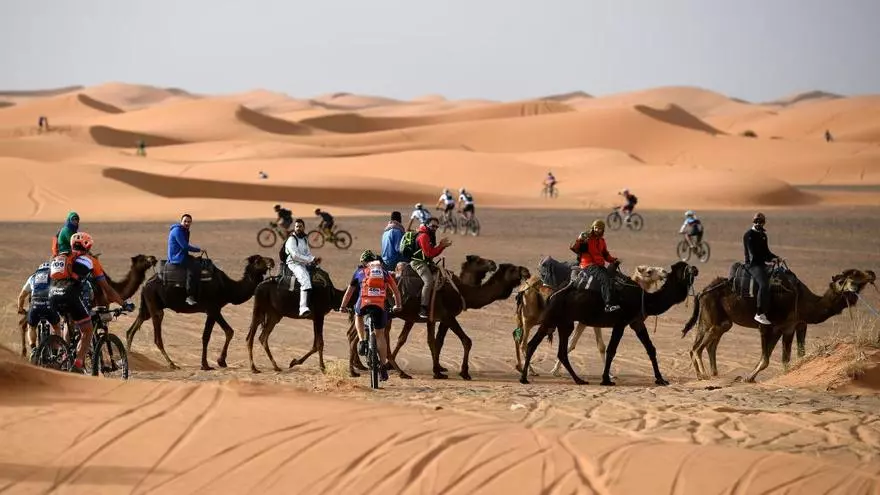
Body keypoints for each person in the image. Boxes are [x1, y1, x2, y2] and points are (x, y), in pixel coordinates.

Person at [48, 232, 127, 372]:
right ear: (88, 246)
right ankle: (78, 365)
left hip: (52, 295)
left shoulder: (61, 257)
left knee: (68, 321)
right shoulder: (91, 260)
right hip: (70, 295)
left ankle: (63, 357)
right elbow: (107, 289)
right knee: (87, 330)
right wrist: (124, 304)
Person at [339, 250, 403, 381]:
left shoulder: (359, 272)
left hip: (364, 303)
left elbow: (349, 292)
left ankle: (362, 341)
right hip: (380, 305)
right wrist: (398, 305)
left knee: (358, 315)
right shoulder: (384, 272)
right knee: (380, 335)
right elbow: (396, 291)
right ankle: (383, 367)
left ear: (363, 262)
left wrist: (343, 306)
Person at [570, 220, 620, 312]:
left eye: (599, 228)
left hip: (599, 265)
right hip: (588, 264)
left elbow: (605, 255)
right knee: (605, 279)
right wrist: (579, 239)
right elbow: (574, 248)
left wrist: (614, 260)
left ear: (602, 230)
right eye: (596, 228)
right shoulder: (587, 238)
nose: (597, 230)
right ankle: (608, 305)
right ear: (592, 228)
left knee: (611, 278)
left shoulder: (602, 241)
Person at [743, 212, 781, 325]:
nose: (758, 223)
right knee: (764, 284)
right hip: (752, 265)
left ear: (764, 223)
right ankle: (759, 313)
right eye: (756, 221)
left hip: (762, 264)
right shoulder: (748, 235)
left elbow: (766, 252)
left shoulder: (763, 235)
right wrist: (770, 260)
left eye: (761, 221)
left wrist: (776, 257)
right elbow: (753, 255)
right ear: (753, 222)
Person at [17, 262, 62, 357]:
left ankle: (33, 349)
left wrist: (20, 308)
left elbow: (21, 297)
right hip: (49, 305)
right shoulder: (54, 276)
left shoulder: (33, 277)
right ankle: (55, 353)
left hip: (35, 305)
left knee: (31, 327)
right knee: (57, 327)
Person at [410, 217, 452, 319]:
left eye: (436, 227)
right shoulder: (424, 236)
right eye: (433, 226)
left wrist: (441, 247)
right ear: (427, 225)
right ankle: (423, 308)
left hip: (426, 262)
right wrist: (441, 246)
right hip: (418, 263)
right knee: (428, 281)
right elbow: (429, 253)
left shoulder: (429, 235)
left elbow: (431, 253)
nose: (435, 228)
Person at [285, 218, 321, 317]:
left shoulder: (304, 239)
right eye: (296, 226)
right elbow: (295, 255)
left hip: (304, 263)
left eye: (300, 226)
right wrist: (310, 259)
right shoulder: (292, 239)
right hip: (294, 263)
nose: (298, 228)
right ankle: (303, 308)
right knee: (305, 280)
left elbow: (307, 253)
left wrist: (313, 260)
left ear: (304, 227)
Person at [167, 214, 203, 305]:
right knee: (194, 268)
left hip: (182, 255)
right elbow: (185, 246)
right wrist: (199, 250)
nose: (187, 223)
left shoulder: (184, 230)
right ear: (181, 222)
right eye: (185, 221)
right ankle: (190, 295)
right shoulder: (177, 231)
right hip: (177, 257)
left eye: (189, 222)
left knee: (198, 261)